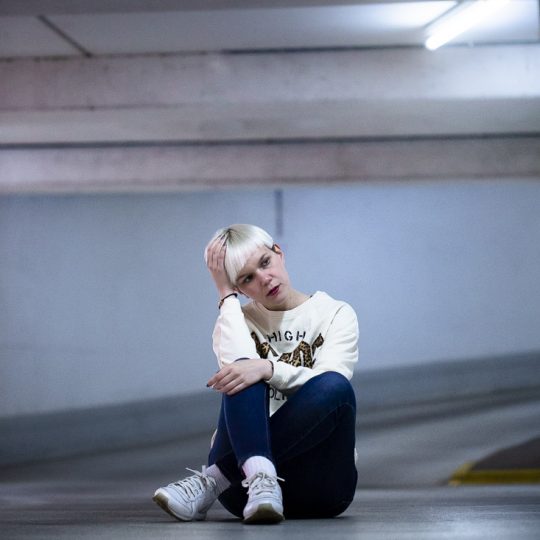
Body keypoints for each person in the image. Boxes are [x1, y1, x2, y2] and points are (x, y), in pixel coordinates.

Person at [153, 224, 359, 524]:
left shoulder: (336, 314)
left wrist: (269, 368)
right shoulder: (235, 321)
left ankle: (214, 479)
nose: (264, 279)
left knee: (336, 386)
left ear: (279, 253)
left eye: (265, 263)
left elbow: (331, 385)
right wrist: (226, 297)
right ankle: (260, 475)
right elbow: (237, 370)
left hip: (323, 484)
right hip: (246, 492)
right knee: (240, 369)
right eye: (247, 278)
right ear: (239, 289)